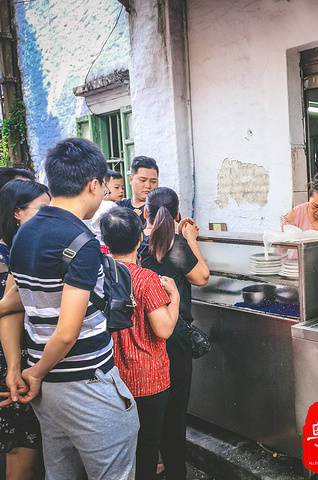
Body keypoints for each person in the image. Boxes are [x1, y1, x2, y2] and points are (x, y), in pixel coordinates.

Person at [6, 137, 139, 479]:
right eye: (104, 190)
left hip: (46, 388)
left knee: (61, 473)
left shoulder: (24, 234)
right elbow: (67, 332)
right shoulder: (81, 242)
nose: (105, 197)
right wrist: (32, 376)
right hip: (86, 384)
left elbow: (12, 307)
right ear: (93, 185)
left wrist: (16, 368)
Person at [100, 207, 180, 480]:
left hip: (108, 378)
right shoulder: (146, 279)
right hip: (147, 379)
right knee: (146, 446)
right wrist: (175, 297)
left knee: (116, 449)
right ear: (139, 240)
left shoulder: (96, 276)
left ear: (105, 240)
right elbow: (164, 329)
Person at [138, 187, 209, 480]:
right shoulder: (177, 245)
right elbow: (202, 276)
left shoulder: (137, 243)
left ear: (145, 213)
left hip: (143, 336)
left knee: (149, 412)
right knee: (174, 413)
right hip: (173, 336)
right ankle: (176, 472)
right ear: (178, 214)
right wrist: (191, 239)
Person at [0, 179, 49, 480]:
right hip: (12, 362)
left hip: (23, 361)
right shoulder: (11, 254)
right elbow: (10, 306)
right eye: (43, 208)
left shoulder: (27, 246)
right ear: (17, 212)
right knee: (22, 452)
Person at [85, 170, 125, 252]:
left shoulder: (97, 204)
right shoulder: (110, 206)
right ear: (104, 188)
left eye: (122, 188)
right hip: (108, 246)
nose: (121, 191)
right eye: (116, 187)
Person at [118, 156, 159, 224]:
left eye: (153, 181)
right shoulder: (119, 208)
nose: (148, 186)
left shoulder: (164, 209)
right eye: (143, 180)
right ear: (131, 180)